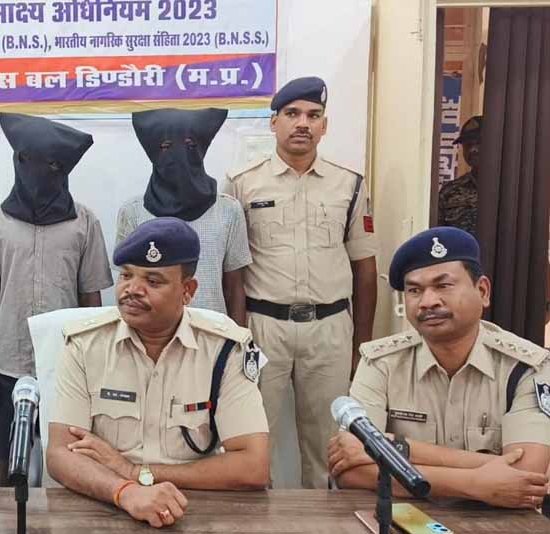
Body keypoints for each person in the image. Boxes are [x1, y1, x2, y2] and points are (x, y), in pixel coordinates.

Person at [47, 217, 270, 529]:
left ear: (187, 291)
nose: (132, 290)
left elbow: (253, 466)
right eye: (126, 275)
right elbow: (60, 454)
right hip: (106, 507)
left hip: (196, 510)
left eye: (153, 281)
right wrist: (125, 491)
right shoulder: (85, 345)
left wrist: (136, 472)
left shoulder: (225, 350)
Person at [223, 76, 379, 489]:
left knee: (329, 444)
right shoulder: (241, 182)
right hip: (263, 327)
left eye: (313, 115)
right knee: (255, 440)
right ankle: (259, 519)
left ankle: (324, 520)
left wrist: (360, 345)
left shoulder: (350, 184)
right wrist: (238, 337)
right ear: (273, 122)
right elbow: (232, 270)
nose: (303, 124)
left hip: (330, 328)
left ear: (324, 126)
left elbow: (365, 267)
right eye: (292, 114)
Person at [329, 227, 550, 509]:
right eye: (414, 290)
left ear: (482, 291)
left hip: (498, 522)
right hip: (404, 520)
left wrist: (394, 447)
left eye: (443, 285)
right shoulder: (380, 362)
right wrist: (475, 482)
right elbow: (350, 471)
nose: (428, 301)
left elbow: (525, 478)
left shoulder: (527, 367)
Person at [0, 112, 113, 486]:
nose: (38, 172)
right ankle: (8, 517)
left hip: (67, 364)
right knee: (8, 461)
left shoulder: (84, 223)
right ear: (18, 161)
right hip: (7, 364)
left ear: (63, 169)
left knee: (71, 461)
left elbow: (91, 296)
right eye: (29, 161)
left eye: (51, 165)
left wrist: (95, 364)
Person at [115, 108, 251, 325]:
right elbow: (127, 280)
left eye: (189, 145)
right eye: (166, 146)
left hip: (212, 333)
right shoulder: (133, 212)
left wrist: (238, 339)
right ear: (153, 151)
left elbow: (234, 286)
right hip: (150, 333)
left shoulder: (228, 209)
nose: (178, 154)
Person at [437, 115, 482, 236]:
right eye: (467, 145)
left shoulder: (510, 190)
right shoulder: (449, 192)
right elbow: (438, 238)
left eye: (479, 143)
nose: (473, 149)